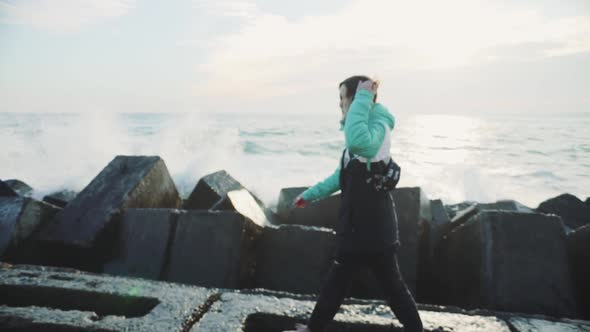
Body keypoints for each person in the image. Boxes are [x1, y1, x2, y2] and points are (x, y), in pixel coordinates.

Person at [285, 76, 423, 332]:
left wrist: (363, 98)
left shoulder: (377, 128)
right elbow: (339, 177)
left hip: (372, 230)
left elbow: (360, 142)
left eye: (342, 97)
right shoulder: (360, 134)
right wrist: (309, 195)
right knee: (348, 285)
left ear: (357, 97)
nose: (339, 104)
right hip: (360, 228)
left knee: (383, 287)